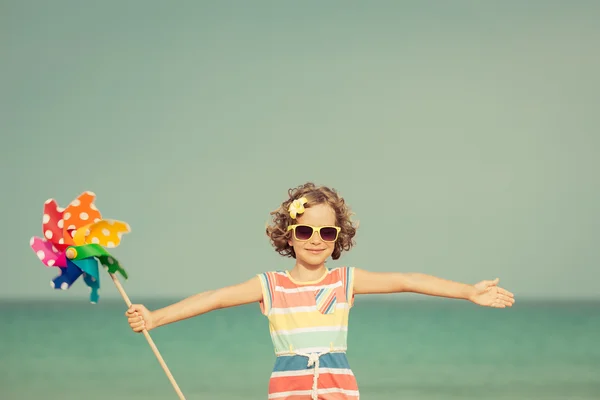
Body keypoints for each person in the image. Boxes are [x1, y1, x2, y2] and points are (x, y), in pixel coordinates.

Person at [125, 182, 515, 399]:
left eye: (326, 232)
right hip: (287, 391)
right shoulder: (270, 286)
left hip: (339, 390)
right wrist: (156, 317)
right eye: (305, 231)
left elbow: (408, 280)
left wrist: (468, 291)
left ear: (337, 239)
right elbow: (213, 299)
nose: (316, 240)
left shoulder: (345, 281)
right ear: (288, 236)